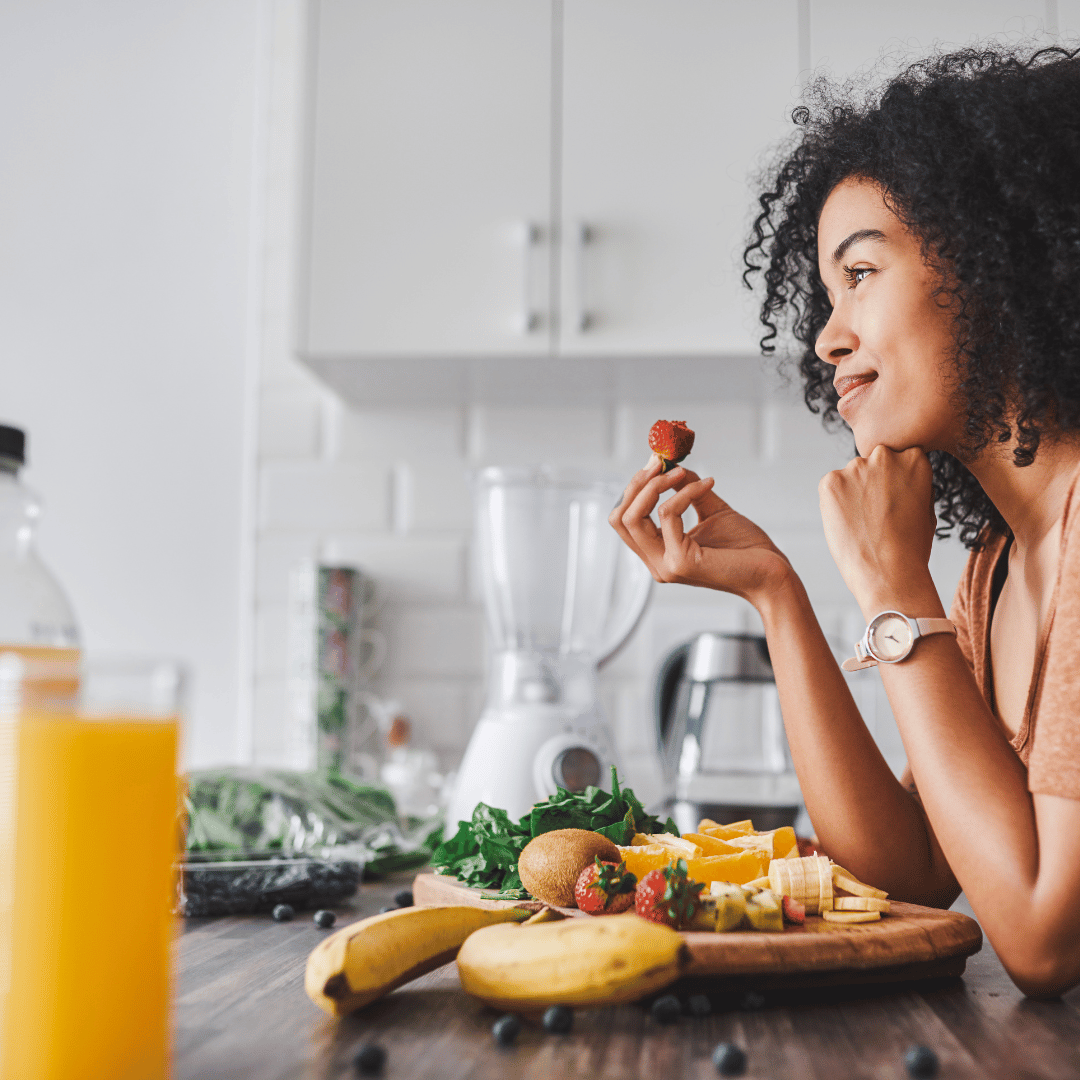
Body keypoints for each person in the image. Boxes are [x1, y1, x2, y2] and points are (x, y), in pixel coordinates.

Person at [611, 44, 1080, 997]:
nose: (828, 337)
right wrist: (776, 594)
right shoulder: (997, 569)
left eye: (860, 273)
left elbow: (1041, 937)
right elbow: (908, 871)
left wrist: (895, 589)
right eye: (827, 296)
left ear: (1002, 260)